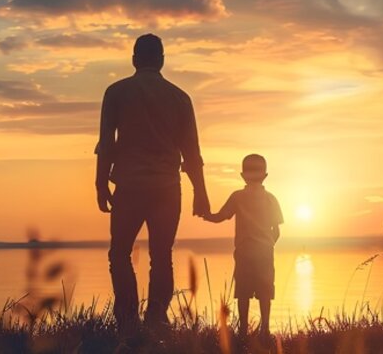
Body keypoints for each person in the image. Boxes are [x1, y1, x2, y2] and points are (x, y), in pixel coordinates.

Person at [95, 33, 210, 335]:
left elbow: (106, 143)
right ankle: (156, 319)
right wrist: (201, 193)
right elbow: (192, 152)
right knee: (162, 256)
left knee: (119, 254)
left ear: (134, 60)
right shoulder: (180, 97)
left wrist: (99, 183)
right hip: (167, 190)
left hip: (129, 187)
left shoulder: (116, 92)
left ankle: (128, 320)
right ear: (161, 60)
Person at [203, 154, 283, 337]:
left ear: (242, 175)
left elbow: (220, 217)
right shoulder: (271, 199)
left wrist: (206, 214)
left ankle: (243, 330)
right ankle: (265, 329)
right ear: (265, 176)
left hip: (244, 252)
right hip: (265, 252)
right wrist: (268, 244)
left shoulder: (238, 197)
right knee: (265, 292)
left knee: (243, 292)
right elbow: (277, 231)